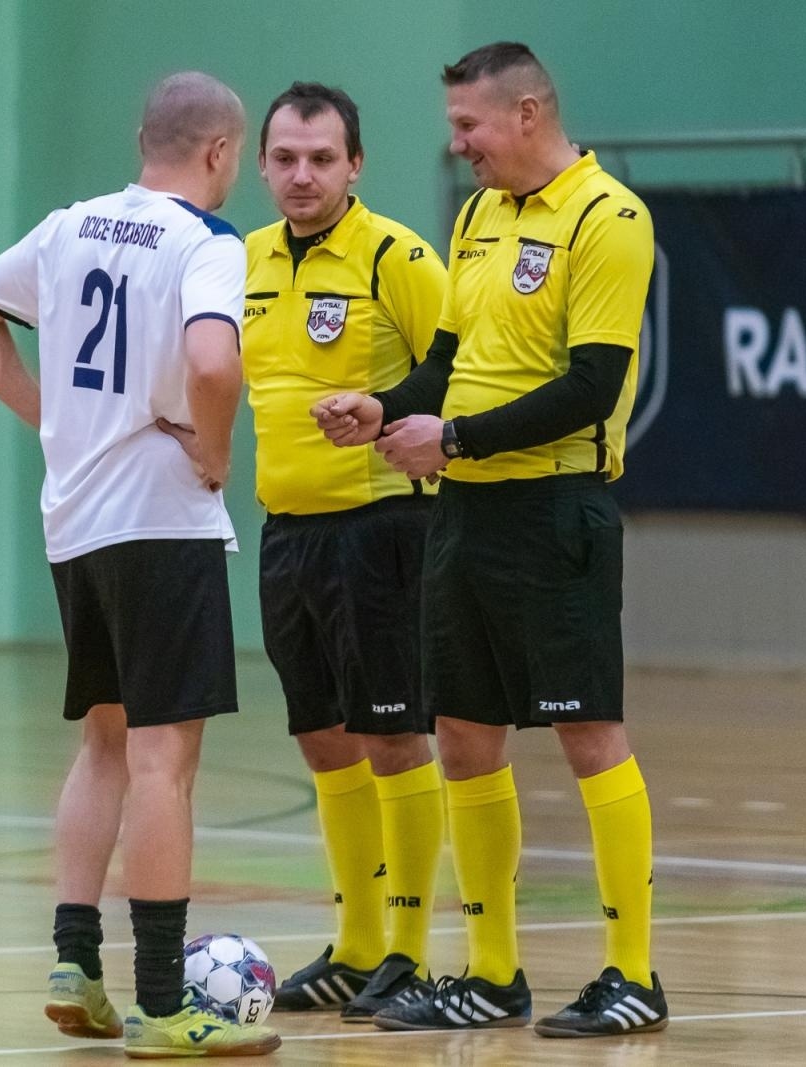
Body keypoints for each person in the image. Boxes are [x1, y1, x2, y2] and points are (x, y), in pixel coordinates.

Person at [312, 42, 668, 1039]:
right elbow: (450, 361)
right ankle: (493, 971)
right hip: (463, 514)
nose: (458, 144)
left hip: (555, 513)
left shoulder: (608, 218)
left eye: (467, 125)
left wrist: (455, 438)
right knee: (464, 736)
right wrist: (386, 406)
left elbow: (592, 386)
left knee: (588, 731)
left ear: (526, 113)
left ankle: (633, 973)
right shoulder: (479, 216)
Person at [0, 71, 279, 1058]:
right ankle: (165, 1004)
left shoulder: (67, 228)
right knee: (163, 760)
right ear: (220, 152)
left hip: (76, 524)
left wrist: (57, 420)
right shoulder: (206, 242)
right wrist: (216, 450)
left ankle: (74, 964)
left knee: (104, 743)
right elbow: (213, 363)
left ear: (144, 138)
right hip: (161, 522)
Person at [236, 82, 450, 1022]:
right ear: (261, 165)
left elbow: (459, 365)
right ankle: (357, 944)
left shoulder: (396, 255)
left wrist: (390, 410)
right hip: (287, 529)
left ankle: (407, 947)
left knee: (392, 735)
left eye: (322, 158)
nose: (303, 175)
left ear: (355, 164)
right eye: (285, 158)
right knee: (323, 736)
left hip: (381, 527)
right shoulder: (243, 260)